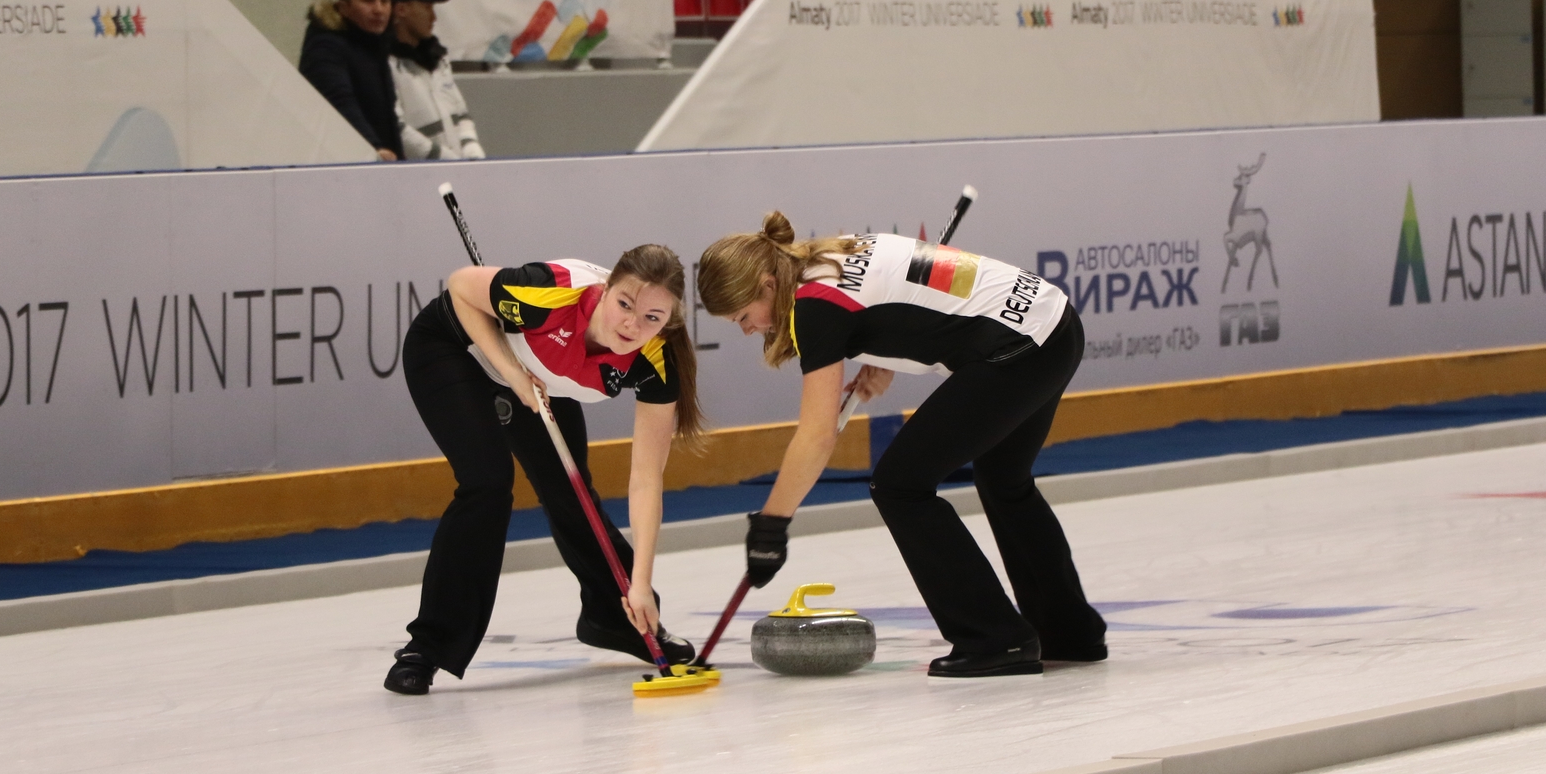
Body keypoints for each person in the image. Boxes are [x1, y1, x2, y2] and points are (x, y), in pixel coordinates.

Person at [697, 214, 1104, 679]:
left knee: (900, 486)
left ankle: (995, 639)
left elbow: (816, 434)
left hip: (1017, 352)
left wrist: (772, 525)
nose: (748, 330)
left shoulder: (814, 306)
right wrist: (884, 353)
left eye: (744, 317)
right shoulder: (831, 253)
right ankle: (1071, 633)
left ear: (769, 285)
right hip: (1054, 326)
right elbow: (907, 299)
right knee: (1003, 480)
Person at [385, 244, 707, 695]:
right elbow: (460, 286)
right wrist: (512, 373)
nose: (634, 325)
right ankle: (428, 646)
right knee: (488, 482)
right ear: (606, 289)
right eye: (624, 305)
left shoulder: (656, 359)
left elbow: (646, 478)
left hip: (541, 375)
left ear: (668, 320)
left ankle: (614, 619)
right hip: (456, 347)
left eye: (652, 318)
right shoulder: (549, 293)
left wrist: (641, 583)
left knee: (571, 491)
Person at [299, 0, 407, 162]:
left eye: (385, 0)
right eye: (368, 0)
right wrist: (373, 148)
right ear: (343, 8)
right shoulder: (325, 48)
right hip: (345, 165)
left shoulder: (375, 46)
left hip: (382, 166)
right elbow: (339, 102)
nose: (379, 9)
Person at [388, 0, 486, 161]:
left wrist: (471, 149)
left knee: (453, 193)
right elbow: (396, 128)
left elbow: (461, 112)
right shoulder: (386, 65)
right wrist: (442, 158)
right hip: (420, 178)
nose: (433, 17)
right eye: (426, 7)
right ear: (401, 10)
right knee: (448, 193)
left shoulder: (438, 59)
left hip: (449, 176)